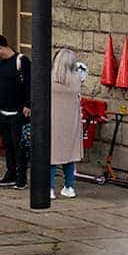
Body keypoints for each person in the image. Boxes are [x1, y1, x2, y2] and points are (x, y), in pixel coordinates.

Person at [0, 34, 32, 187]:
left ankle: (21, 176)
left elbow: (30, 85)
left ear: (2, 47)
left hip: (18, 112)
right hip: (3, 111)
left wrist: (28, 105)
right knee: (7, 145)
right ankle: (10, 172)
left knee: (19, 146)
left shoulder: (21, 61)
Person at [49, 48, 85, 199]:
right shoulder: (78, 78)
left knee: (51, 157)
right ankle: (69, 186)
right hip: (72, 123)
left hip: (53, 122)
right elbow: (82, 70)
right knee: (69, 156)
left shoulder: (50, 79)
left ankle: (49, 188)